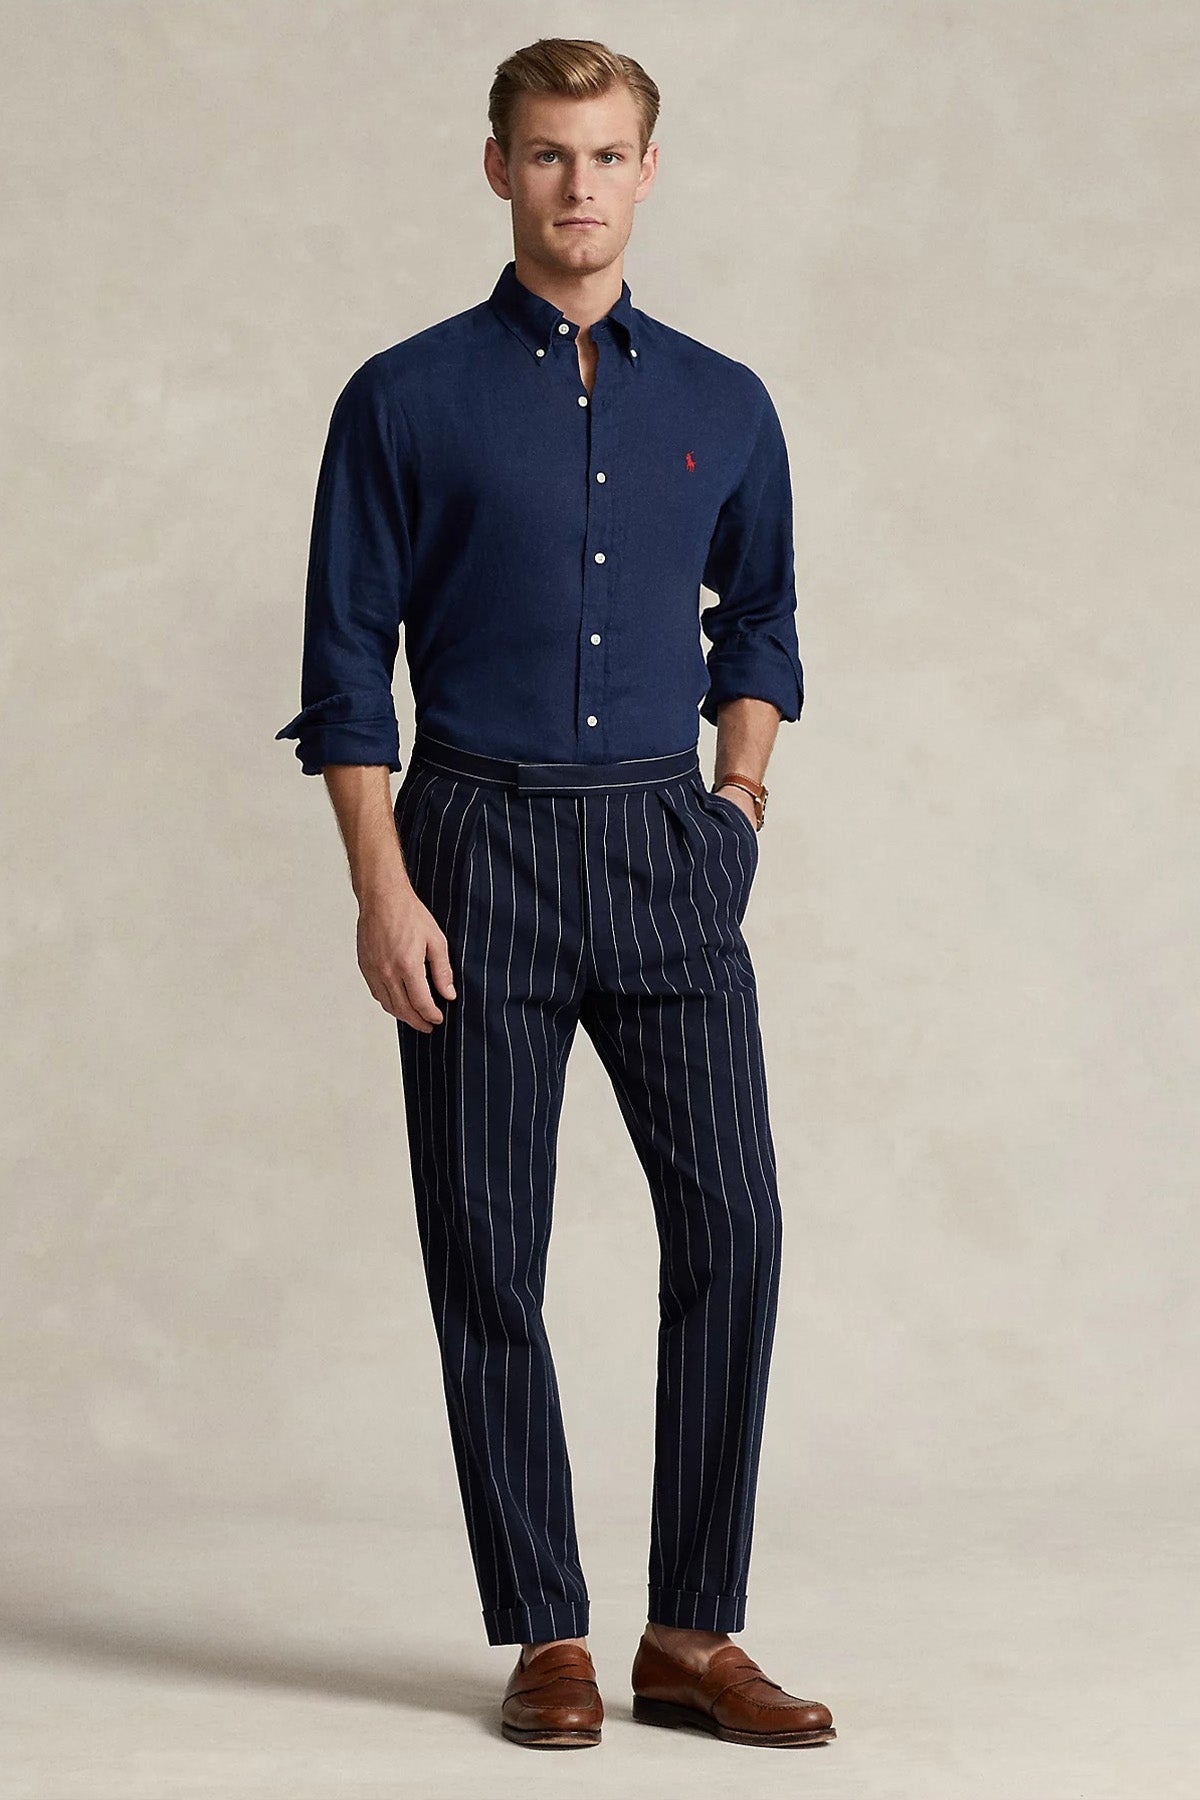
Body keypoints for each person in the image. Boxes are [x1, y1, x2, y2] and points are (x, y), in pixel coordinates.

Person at [275, 34, 836, 1754]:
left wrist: (736, 805)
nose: (576, 184)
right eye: (545, 153)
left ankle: (690, 1633)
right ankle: (548, 1635)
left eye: (604, 155)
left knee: (735, 1228)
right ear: (498, 168)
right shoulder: (403, 397)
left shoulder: (726, 402)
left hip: (664, 846)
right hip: (473, 845)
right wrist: (383, 888)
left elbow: (762, 622)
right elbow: (346, 666)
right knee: (487, 1252)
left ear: (647, 172)